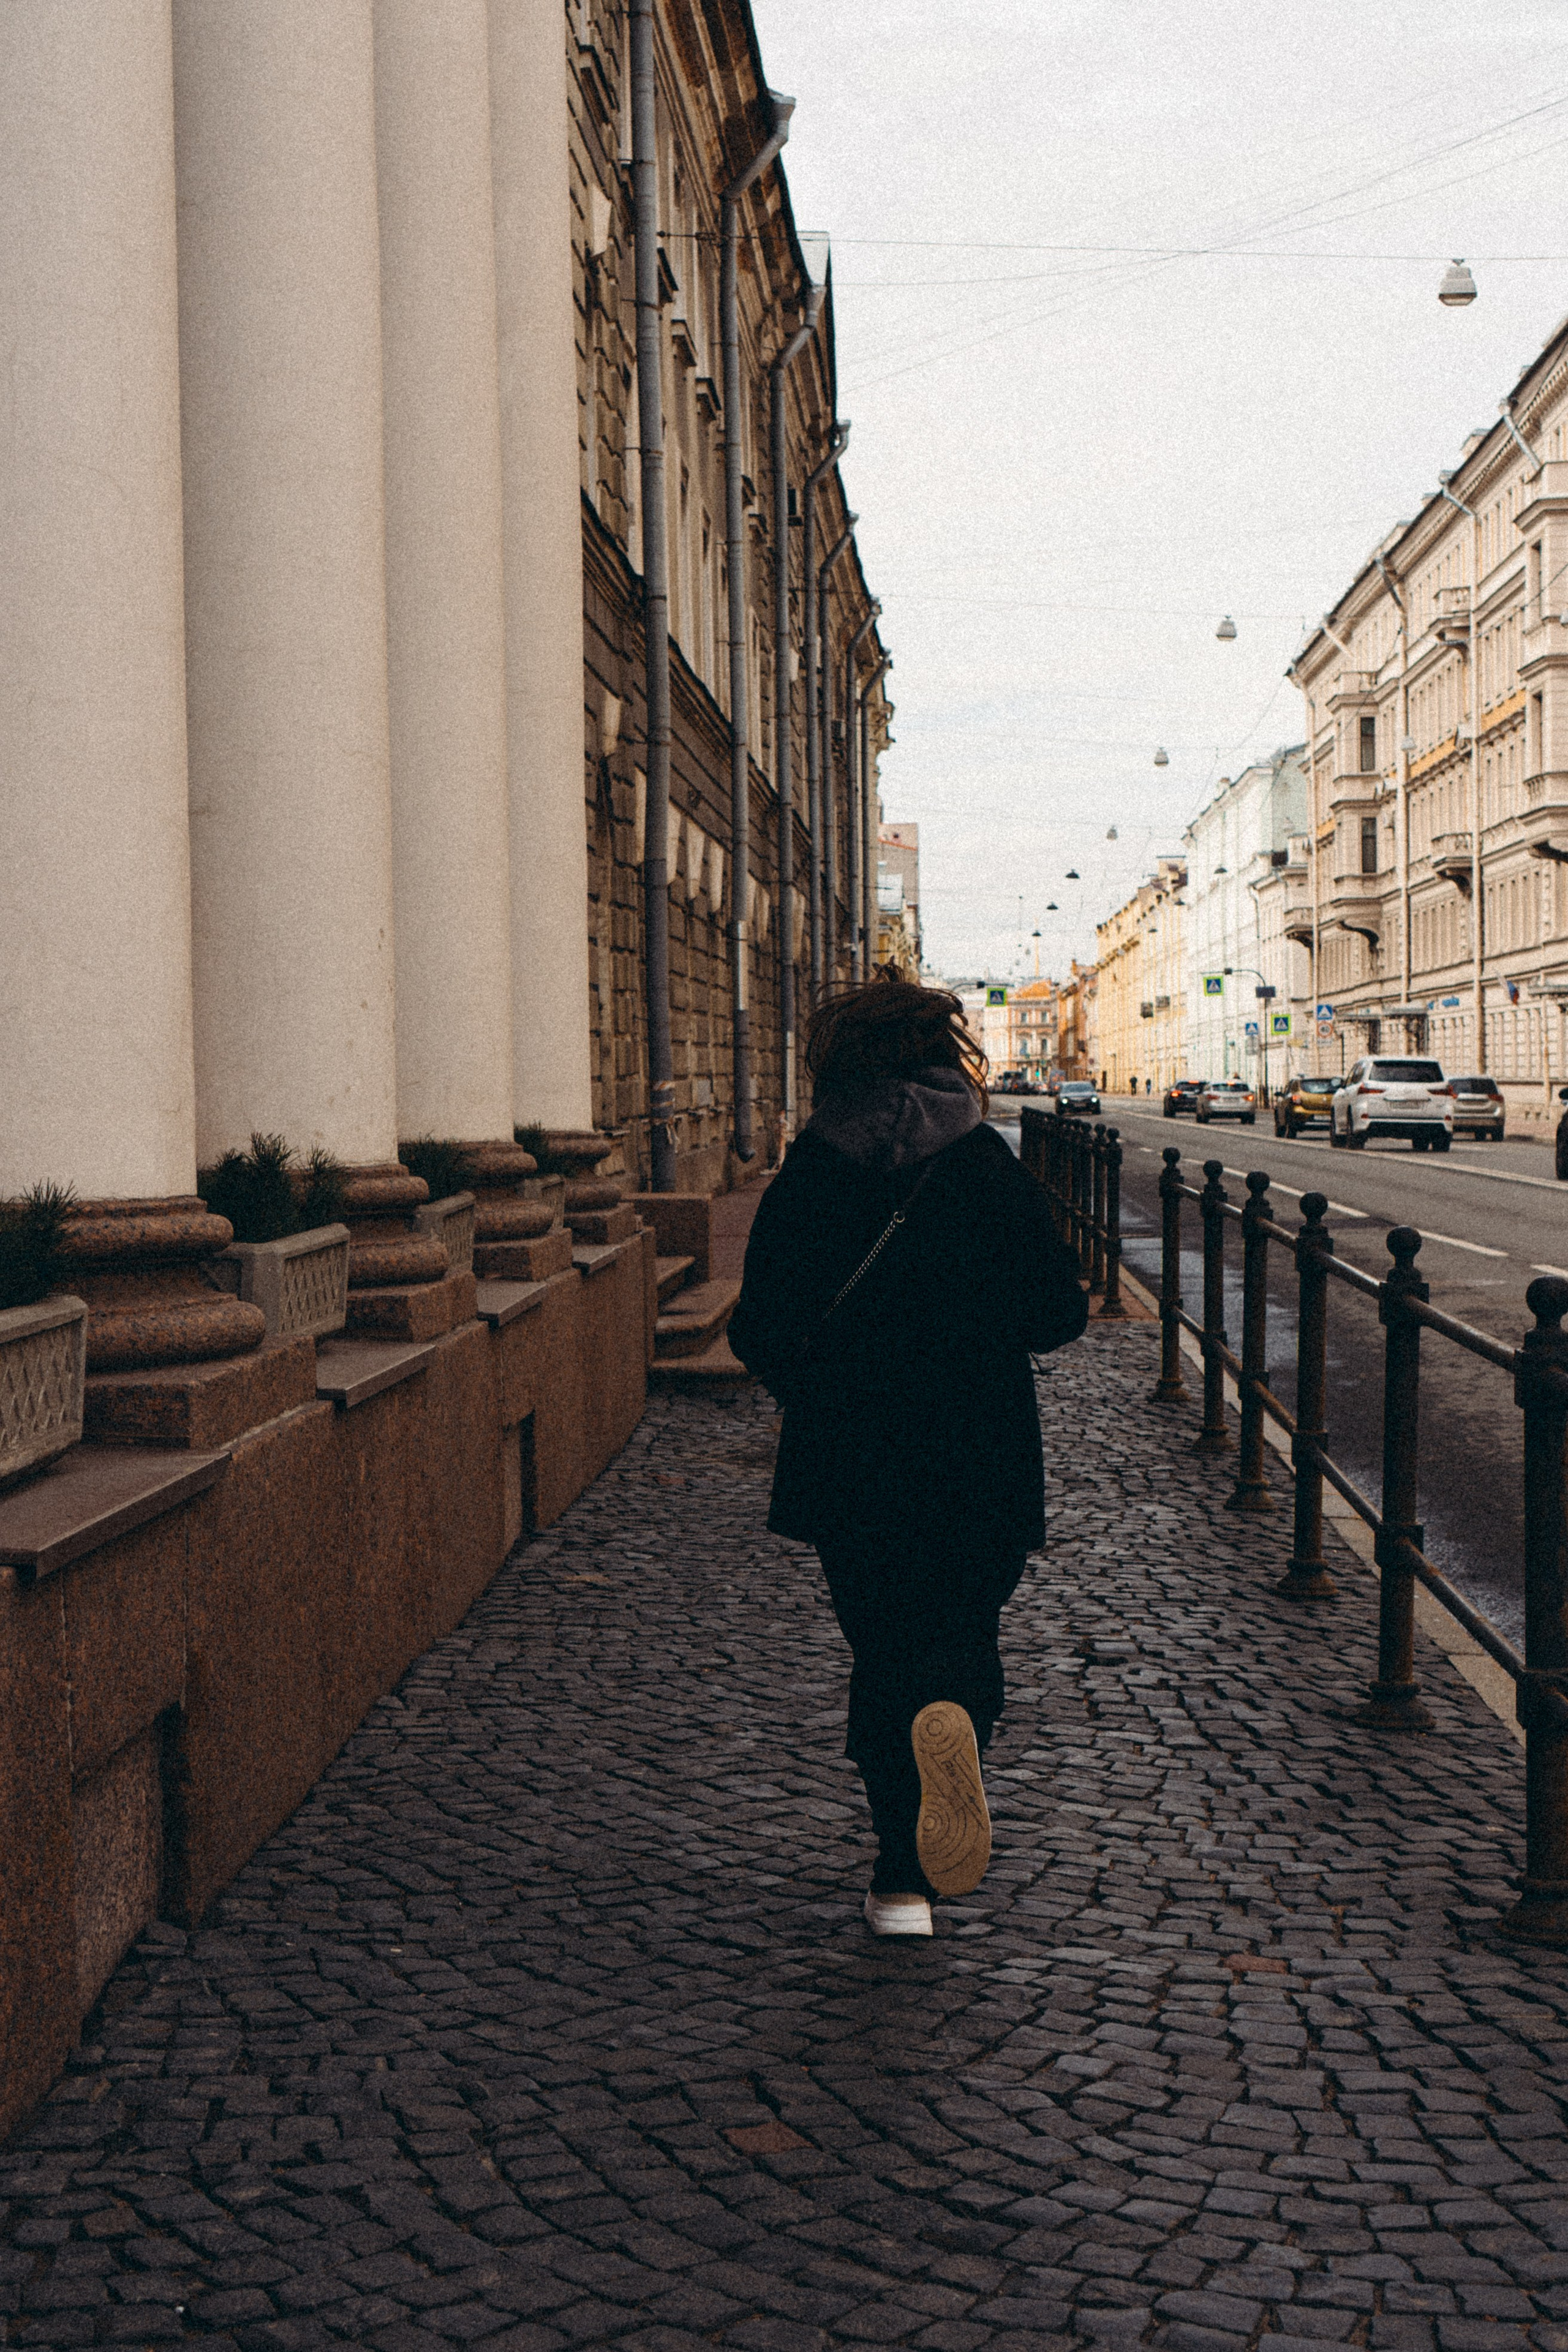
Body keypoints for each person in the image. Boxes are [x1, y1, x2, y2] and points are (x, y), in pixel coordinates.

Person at [728, 976, 1088, 1938]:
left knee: (882, 1646)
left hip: (852, 1457)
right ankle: (960, 1714)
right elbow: (1059, 1314)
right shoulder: (984, 1165)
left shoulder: (815, 1168)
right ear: (945, 1054)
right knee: (961, 1631)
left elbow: (756, 1326)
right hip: (980, 1450)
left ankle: (900, 1881)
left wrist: (815, 1389)